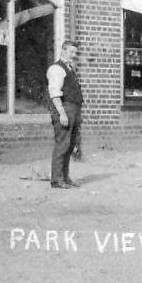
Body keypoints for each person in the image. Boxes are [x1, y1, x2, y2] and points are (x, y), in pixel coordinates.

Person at [46, 40, 83, 189]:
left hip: (73, 110)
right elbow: (54, 93)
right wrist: (62, 114)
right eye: (70, 52)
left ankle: (65, 177)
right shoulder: (56, 69)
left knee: (70, 144)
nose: (73, 55)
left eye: (75, 53)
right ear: (63, 51)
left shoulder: (69, 68)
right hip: (64, 109)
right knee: (62, 144)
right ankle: (56, 180)